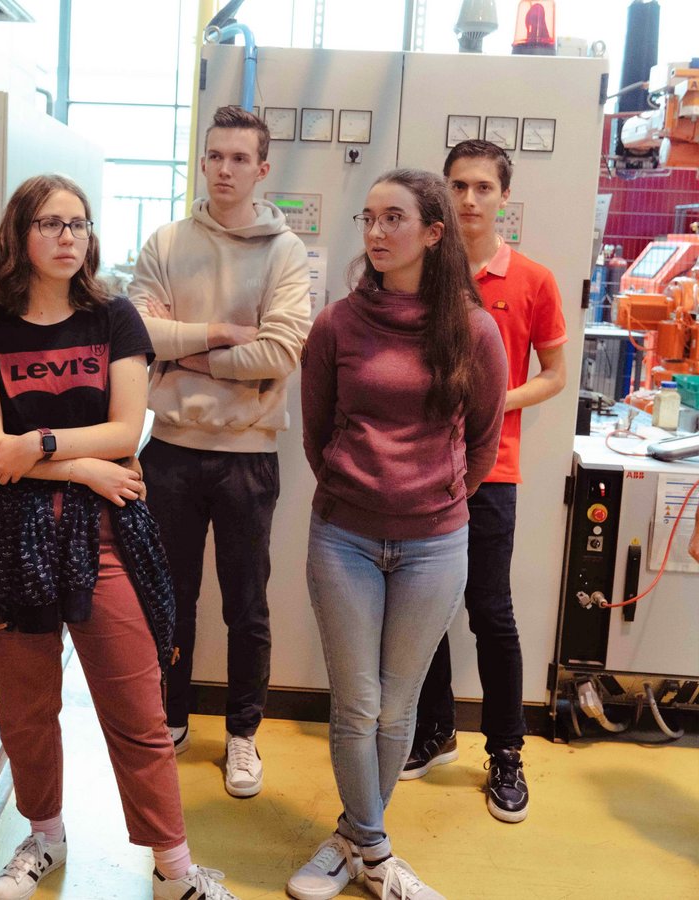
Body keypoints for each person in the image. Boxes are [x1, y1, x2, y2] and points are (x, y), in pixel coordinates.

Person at [0, 174, 236, 900]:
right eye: (50, 224)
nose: (66, 237)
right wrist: (81, 466)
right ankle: (43, 836)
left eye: (77, 224)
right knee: (25, 708)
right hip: (12, 532)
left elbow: (125, 428)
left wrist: (41, 444)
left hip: (105, 532)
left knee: (137, 707)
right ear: (20, 235)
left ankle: (175, 868)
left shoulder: (114, 319)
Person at [289, 169, 506, 900]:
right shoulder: (337, 325)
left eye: (395, 218)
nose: (377, 232)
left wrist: (432, 499)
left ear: (433, 233)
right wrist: (363, 490)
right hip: (344, 537)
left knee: (398, 706)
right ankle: (378, 853)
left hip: (435, 543)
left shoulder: (473, 330)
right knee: (355, 703)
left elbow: (480, 443)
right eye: (369, 218)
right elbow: (318, 434)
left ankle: (353, 838)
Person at [130, 105, 311, 798]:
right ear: (202, 162)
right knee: (169, 595)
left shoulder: (284, 251)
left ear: (262, 169)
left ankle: (242, 734)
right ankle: (170, 715)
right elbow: (142, 334)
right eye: (215, 156)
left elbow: (281, 350)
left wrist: (189, 353)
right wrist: (221, 336)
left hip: (248, 455)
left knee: (247, 603)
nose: (226, 169)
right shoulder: (168, 241)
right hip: (170, 448)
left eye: (240, 158)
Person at [402, 141, 567, 826]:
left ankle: (505, 752)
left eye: (481, 187)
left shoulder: (532, 280)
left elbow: (555, 374)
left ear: (504, 197)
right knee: (426, 609)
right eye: (457, 186)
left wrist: (492, 401)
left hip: (491, 475)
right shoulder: (418, 275)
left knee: (489, 613)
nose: (469, 199)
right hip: (420, 472)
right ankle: (435, 731)